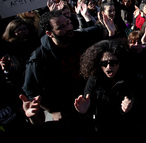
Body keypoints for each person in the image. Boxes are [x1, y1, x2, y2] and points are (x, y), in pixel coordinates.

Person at [22, 10, 114, 142]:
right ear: (49, 33)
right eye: (61, 27)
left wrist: (109, 30)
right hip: (67, 113)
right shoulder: (38, 59)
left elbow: (102, 32)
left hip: (92, 100)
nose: (69, 28)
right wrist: (51, 111)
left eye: (68, 23)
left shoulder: (79, 36)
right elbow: (31, 91)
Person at [74, 39, 134, 143]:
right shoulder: (94, 79)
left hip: (125, 130)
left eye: (113, 63)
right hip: (101, 130)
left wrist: (129, 108)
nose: (108, 67)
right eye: (104, 63)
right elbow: (88, 112)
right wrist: (84, 112)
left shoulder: (129, 78)